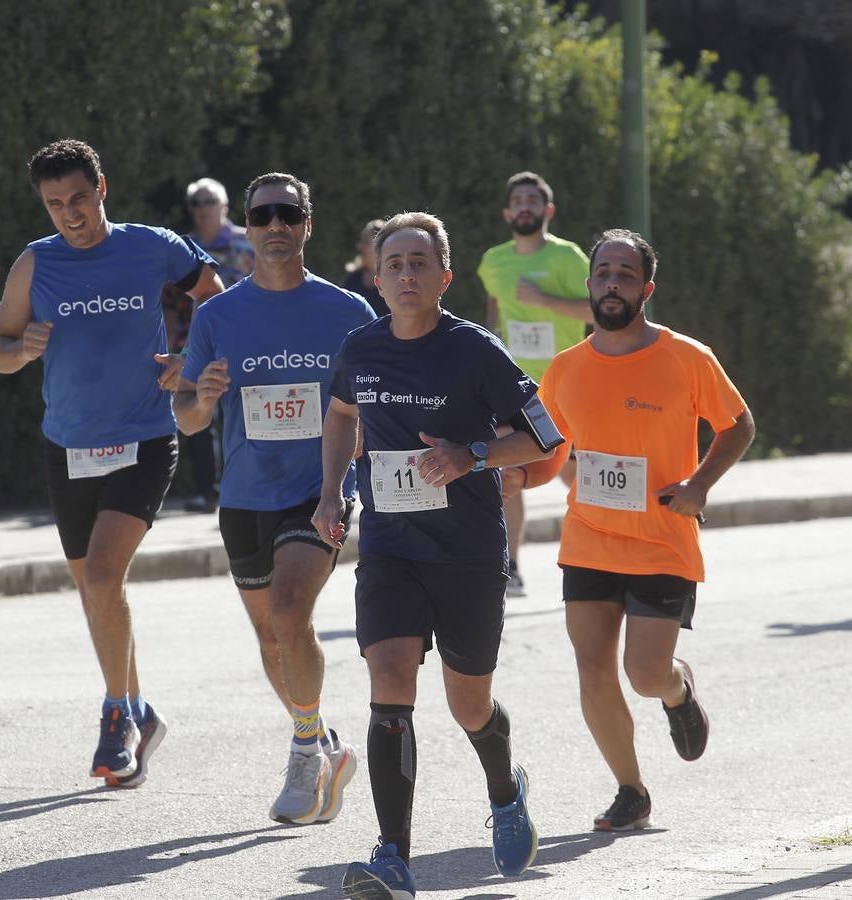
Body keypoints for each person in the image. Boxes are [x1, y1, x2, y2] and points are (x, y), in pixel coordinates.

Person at [314, 212, 565, 899]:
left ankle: (505, 791)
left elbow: (545, 435)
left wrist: (471, 454)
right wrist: (331, 493)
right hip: (390, 548)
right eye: (393, 264)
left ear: (444, 277)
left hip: (467, 552)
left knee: (468, 703)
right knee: (390, 678)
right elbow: (340, 415)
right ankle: (393, 856)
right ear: (376, 278)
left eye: (419, 263)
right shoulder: (360, 347)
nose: (406, 275)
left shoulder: (475, 350)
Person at [0, 138, 222, 787]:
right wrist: (21, 350)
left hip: (144, 438)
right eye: (55, 203)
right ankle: (141, 713)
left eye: (79, 198)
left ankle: (116, 715)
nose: (71, 214)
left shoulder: (153, 247)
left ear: (102, 190)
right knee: (96, 593)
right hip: (68, 446)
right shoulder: (35, 263)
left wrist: (191, 357)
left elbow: (216, 295)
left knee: (102, 576)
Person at [516, 228, 754, 832]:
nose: (612, 284)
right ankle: (631, 789)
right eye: (603, 273)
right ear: (589, 285)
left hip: (661, 541)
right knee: (592, 668)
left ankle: (677, 691)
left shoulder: (686, 357)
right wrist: (512, 476)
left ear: (646, 289)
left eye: (625, 275)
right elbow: (546, 448)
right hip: (589, 537)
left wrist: (699, 483)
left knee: (644, 674)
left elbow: (738, 424)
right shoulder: (566, 369)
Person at [173, 172, 375, 825]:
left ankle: (303, 752)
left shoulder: (348, 312)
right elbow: (187, 419)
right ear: (249, 228)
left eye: (289, 213)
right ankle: (324, 743)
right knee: (270, 636)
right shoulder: (218, 315)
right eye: (263, 216)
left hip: (319, 492)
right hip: (244, 496)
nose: (276, 225)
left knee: (290, 611)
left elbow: (377, 403)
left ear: (307, 225)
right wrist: (203, 397)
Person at [477, 172, 591, 597]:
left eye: (533, 200)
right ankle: (510, 566)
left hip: (565, 388)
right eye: (518, 201)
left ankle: (601, 552)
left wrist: (545, 300)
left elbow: (597, 312)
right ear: (507, 213)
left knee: (574, 475)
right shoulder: (493, 261)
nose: (525, 206)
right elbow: (494, 307)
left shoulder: (568, 257)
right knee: (509, 471)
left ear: (548, 210)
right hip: (513, 389)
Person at [169, 177, 257, 513]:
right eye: (197, 203)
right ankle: (207, 490)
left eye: (209, 201)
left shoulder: (248, 242)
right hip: (195, 342)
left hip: (246, 343)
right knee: (196, 410)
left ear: (224, 206)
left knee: (246, 411)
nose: (203, 209)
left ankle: (248, 482)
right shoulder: (184, 249)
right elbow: (170, 302)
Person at [342, 218, 389, 317]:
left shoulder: (393, 279)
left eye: (367, 243)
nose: (360, 246)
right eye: (363, 242)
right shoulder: (352, 279)